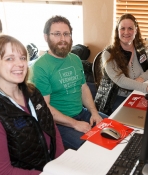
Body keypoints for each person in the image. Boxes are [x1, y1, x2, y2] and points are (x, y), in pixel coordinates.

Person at [0, 34, 65, 175]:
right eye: (9, 59)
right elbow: (2, 174)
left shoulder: (32, 92)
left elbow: (52, 128)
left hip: (47, 173)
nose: (20, 64)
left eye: (22, 57)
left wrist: (61, 163)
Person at [31, 15, 107, 150]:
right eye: (57, 34)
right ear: (46, 37)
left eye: (66, 34)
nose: (62, 39)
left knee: (117, 131)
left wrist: (94, 112)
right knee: (92, 148)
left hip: (82, 113)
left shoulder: (75, 59)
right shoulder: (40, 67)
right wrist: (75, 124)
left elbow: (83, 88)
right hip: (59, 123)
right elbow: (44, 107)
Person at [96, 13, 148, 113]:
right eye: (122, 28)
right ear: (117, 31)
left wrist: (142, 78)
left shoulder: (140, 49)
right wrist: (146, 87)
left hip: (138, 93)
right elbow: (120, 80)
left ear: (136, 31)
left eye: (130, 28)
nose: (126, 32)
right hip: (116, 99)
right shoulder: (109, 54)